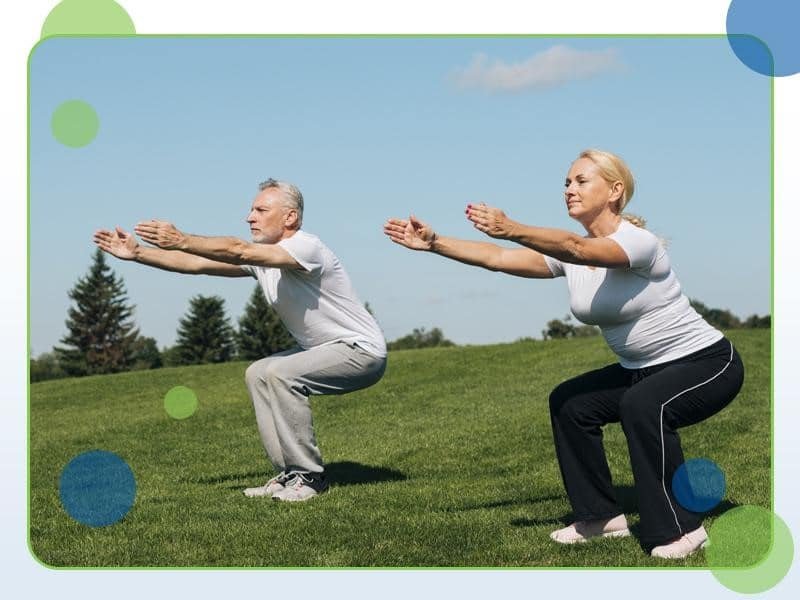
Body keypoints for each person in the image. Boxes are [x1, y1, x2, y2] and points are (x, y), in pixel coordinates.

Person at [383, 149, 744, 559]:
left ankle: (682, 527)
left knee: (644, 406)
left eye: (580, 181)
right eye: (566, 183)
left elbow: (575, 248)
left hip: (707, 363)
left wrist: (512, 227)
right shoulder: (572, 254)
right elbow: (499, 258)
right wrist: (435, 243)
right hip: (641, 369)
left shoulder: (636, 243)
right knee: (571, 403)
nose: (569, 189)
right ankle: (599, 517)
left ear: (615, 190)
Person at [94, 178, 387, 502]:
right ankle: (290, 474)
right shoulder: (262, 261)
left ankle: (311, 479)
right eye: (251, 210)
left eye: (261, 210)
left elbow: (237, 249)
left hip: (361, 352)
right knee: (259, 372)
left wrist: (180, 238)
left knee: (280, 373)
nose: (250, 217)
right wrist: (138, 253)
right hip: (324, 350)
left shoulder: (307, 246)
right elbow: (197, 263)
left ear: (290, 217)